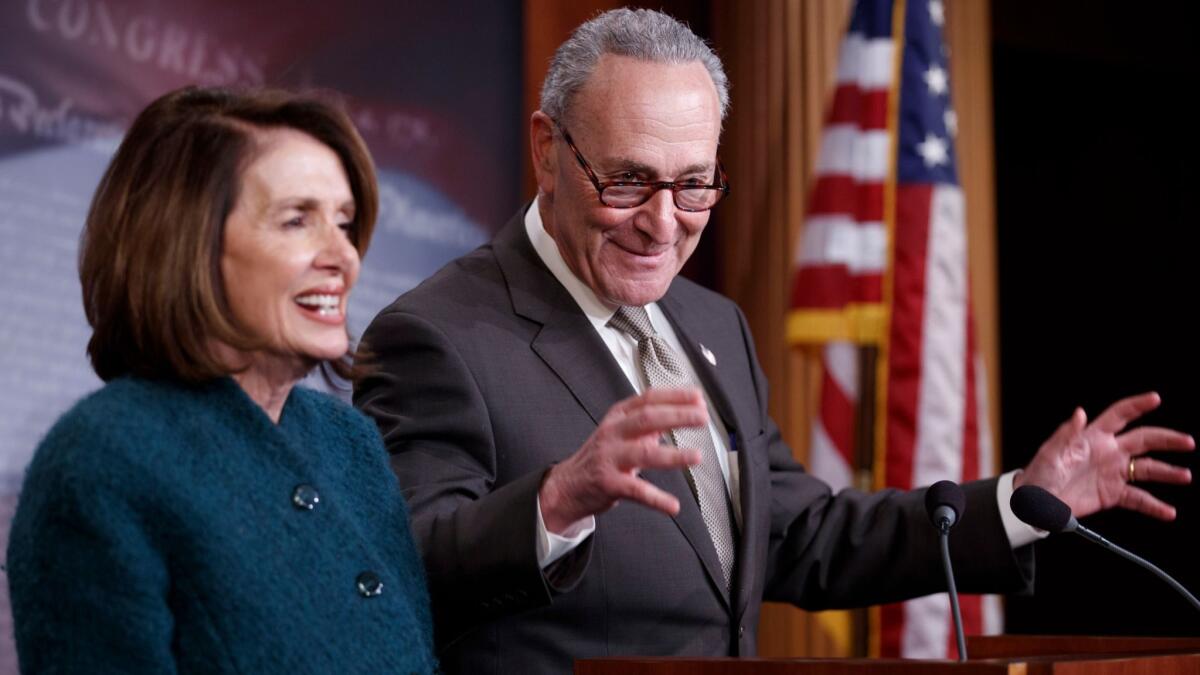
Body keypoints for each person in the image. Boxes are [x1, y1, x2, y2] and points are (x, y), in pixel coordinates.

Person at [353, 9, 1194, 675]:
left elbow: (799, 535)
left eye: (692, 185)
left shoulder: (713, 324)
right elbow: (404, 568)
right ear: (547, 148)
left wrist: (1017, 501)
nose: (662, 223)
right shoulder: (437, 334)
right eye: (628, 180)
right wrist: (556, 502)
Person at [6, 86, 437, 674]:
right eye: (296, 220)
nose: (344, 256)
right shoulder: (100, 459)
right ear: (189, 244)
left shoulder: (350, 444)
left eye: (344, 222)